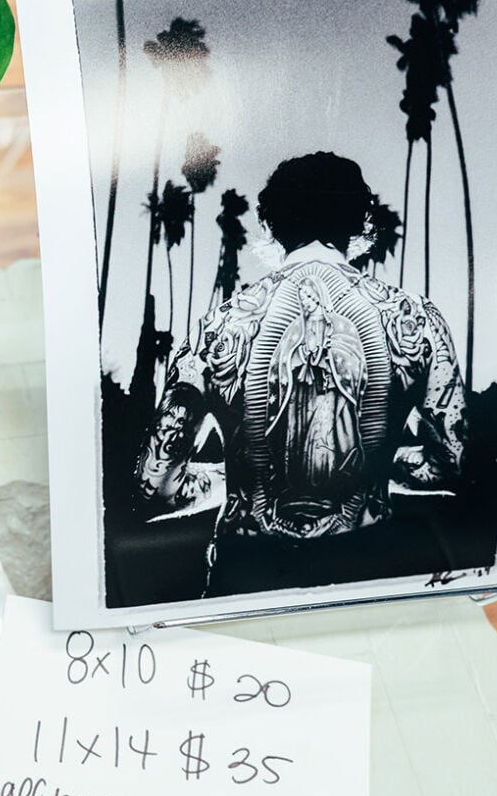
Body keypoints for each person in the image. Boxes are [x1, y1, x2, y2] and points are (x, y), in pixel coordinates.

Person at [136, 151, 467, 594]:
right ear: (360, 221)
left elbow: (155, 485)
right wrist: (369, 470)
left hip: (248, 571)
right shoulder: (413, 319)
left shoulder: (218, 327)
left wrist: (234, 477)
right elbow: (450, 463)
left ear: (269, 225)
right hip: (368, 562)